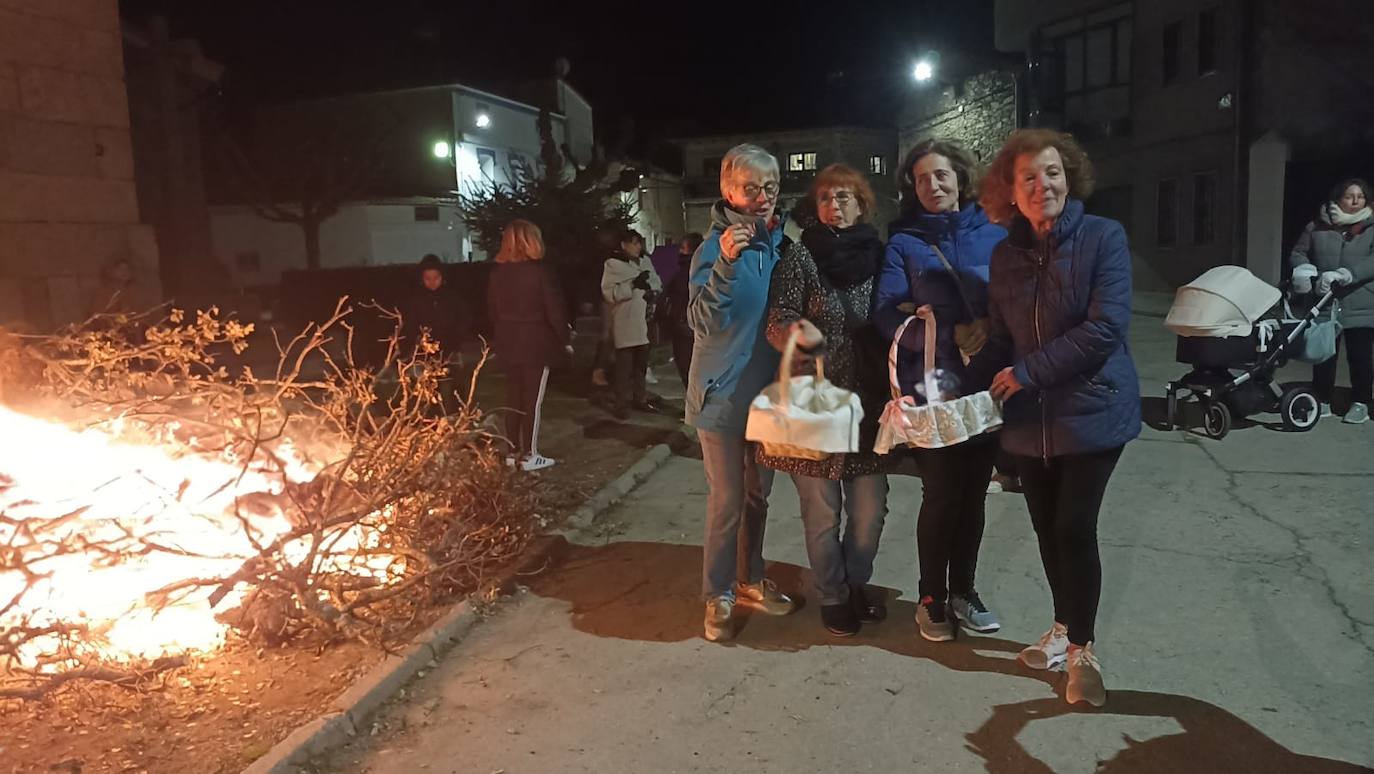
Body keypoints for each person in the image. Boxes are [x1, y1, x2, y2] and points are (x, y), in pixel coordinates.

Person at [971, 128, 1141, 708]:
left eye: (1052, 172)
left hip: (1092, 407)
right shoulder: (1005, 255)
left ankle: (1082, 650)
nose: (1042, 184)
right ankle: (1063, 628)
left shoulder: (1102, 237)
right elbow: (1000, 336)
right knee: (1046, 527)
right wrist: (964, 380)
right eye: (1028, 177)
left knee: (1073, 525)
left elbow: (1105, 328)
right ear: (1009, 192)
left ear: (1069, 178)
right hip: (1029, 420)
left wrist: (1027, 373)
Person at [874, 138, 1009, 643]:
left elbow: (1015, 300)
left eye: (941, 175)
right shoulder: (904, 244)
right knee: (942, 494)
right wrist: (945, 328)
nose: (932, 185)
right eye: (922, 178)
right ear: (912, 187)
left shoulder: (995, 234)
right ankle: (931, 597)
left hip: (984, 386)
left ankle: (963, 591)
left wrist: (991, 328)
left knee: (973, 497)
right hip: (932, 390)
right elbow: (885, 313)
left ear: (959, 178)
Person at [761, 164, 891, 637]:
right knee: (821, 512)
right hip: (813, 402)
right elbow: (777, 318)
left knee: (869, 513)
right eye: (825, 199)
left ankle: (856, 582)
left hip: (869, 404)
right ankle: (833, 595)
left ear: (861, 204)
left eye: (843, 197)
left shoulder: (882, 257)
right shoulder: (800, 259)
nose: (833, 206)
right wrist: (797, 332)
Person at [688, 143, 798, 642]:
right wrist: (727, 264)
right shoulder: (714, 247)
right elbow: (701, 322)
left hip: (766, 398)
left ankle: (750, 579)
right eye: (750, 187)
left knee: (758, 498)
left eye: (769, 187)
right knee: (728, 500)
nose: (761, 197)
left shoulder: (778, 243)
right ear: (728, 190)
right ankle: (717, 595)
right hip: (723, 397)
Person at [487, 220, 573, 472]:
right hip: (536, 341)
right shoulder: (541, 272)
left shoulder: (496, 274)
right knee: (532, 401)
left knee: (513, 397)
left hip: (507, 340)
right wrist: (564, 340)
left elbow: (491, 311)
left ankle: (512, 451)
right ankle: (530, 454)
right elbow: (555, 311)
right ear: (532, 241)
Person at [1289, 178, 1374, 424]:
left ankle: (1361, 402)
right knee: (1324, 354)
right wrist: (1305, 270)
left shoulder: (1370, 227)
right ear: (1337, 199)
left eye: (1360, 196)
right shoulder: (1318, 226)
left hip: (1361, 301)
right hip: (1325, 300)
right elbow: (1298, 252)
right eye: (1349, 196)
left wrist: (1350, 274)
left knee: (1360, 357)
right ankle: (1322, 399)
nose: (1355, 201)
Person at [601, 229, 662, 419]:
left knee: (641, 366)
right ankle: (621, 404)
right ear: (623, 245)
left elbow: (656, 281)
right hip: (626, 321)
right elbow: (610, 293)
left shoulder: (645, 261)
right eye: (633, 243)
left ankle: (640, 399)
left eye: (639, 243)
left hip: (644, 320)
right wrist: (633, 284)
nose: (637, 247)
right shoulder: (613, 265)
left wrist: (652, 290)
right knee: (624, 367)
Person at [403, 254, 468, 414]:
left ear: (442, 277)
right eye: (428, 278)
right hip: (424, 352)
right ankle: (426, 421)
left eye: (436, 277)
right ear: (421, 279)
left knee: (451, 385)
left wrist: (456, 341)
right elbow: (410, 324)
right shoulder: (416, 300)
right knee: (425, 388)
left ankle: (454, 417)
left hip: (449, 349)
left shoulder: (452, 297)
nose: (432, 281)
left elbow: (462, 319)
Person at [658, 233, 705, 387]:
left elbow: (673, 298)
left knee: (687, 366)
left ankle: (695, 406)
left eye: (683, 248)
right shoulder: (709, 269)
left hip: (684, 325)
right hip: (699, 324)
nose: (679, 252)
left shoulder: (684, 273)